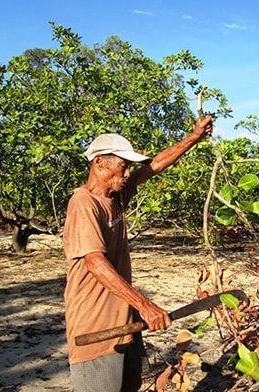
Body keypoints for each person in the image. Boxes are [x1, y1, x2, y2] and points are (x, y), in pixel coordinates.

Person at [63, 115, 213, 392]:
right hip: (96, 328)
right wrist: (145, 305)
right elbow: (95, 262)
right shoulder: (83, 203)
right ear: (99, 163)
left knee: (130, 385)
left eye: (129, 167)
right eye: (123, 166)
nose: (128, 173)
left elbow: (156, 164)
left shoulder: (117, 194)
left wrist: (194, 138)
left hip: (125, 321)